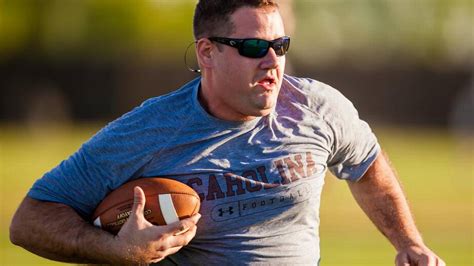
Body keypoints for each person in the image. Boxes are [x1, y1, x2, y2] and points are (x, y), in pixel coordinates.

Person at [10, 0, 445, 265]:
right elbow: (30, 220)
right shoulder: (147, 131)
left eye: (281, 46)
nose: (272, 61)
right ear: (207, 52)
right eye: (255, 47)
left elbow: (366, 165)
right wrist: (119, 252)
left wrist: (410, 243)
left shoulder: (318, 108)